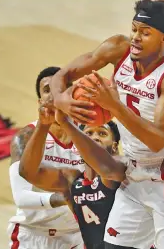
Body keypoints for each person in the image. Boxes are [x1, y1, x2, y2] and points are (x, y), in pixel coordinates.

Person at [49, 0, 164, 249]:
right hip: (133, 174)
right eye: (134, 29)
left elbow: (156, 140)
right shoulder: (117, 48)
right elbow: (63, 74)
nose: (136, 37)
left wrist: (114, 107)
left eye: (146, 33)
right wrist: (61, 100)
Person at [18, 85, 127, 249]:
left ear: (114, 145)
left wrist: (66, 123)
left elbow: (106, 169)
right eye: (88, 134)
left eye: (102, 133)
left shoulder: (122, 168)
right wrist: (43, 124)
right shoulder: (73, 180)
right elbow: (27, 172)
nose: (94, 138)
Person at [7, 66, 85, 249]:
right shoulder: (25, 137)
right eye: (47, 90)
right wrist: (65, 197)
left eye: (60, 88)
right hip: (33, 234)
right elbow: (21, 198)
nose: (53, 95)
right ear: (40, 101)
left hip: (76, 235)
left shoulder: (89, 135)